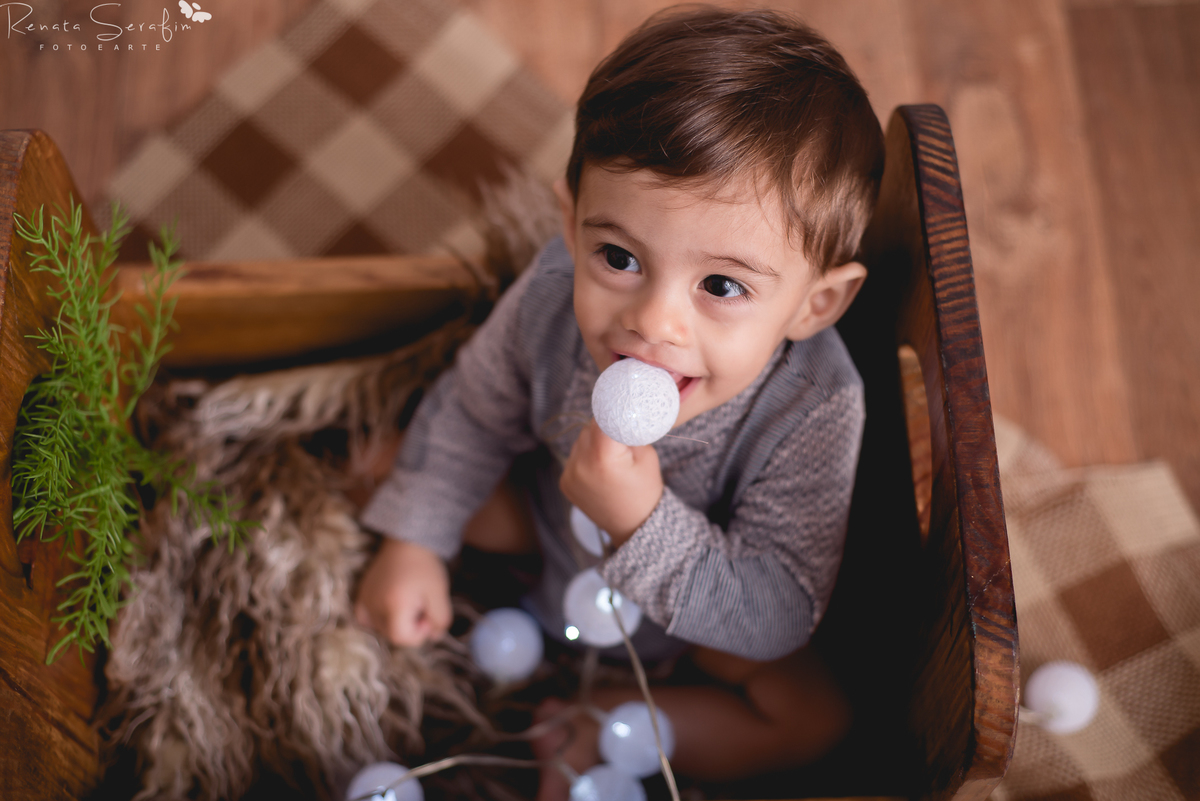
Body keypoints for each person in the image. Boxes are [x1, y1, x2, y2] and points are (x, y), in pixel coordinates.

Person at [354, 6, 885, 798]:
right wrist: (418, 541)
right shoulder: (548, 296)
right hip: (542, 530)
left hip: (688, 625)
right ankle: (456, 574)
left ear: (815, 305)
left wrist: (641, 522)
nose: (652, 321)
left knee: (813, 716)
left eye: (722, 285)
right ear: (570, 229)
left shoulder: (815, 406)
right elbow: (473, 408)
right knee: (386, 465)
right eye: (619, 256)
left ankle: (599, 722)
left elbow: (778, 608)